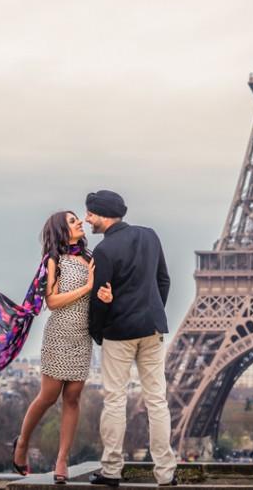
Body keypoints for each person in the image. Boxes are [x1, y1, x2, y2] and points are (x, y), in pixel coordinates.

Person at [85, 190, 177, 488]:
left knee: (114, 400)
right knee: (157, 401)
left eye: (90, 213)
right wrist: (151, 311)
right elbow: (164, 280)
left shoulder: (104, 251)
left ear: (103, 214)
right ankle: (166, 472)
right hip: (152, 330)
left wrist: (97, 331)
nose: (87, 219)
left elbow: (99, 299)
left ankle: (111, 469)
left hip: (119, 333)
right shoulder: (149, 236)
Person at [13, 211, 113, 482]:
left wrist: (105, 294)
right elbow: (52, 301)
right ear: (60, 230)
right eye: (72, 221)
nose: (79, 221)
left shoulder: (91, 258)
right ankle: (22, 443)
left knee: (72, 399)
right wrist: (88, 287)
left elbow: (102, 293)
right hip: (59, 335)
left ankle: (62, 459)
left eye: (77, 219)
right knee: (48, 397)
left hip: (82, 337)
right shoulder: (54, 260)